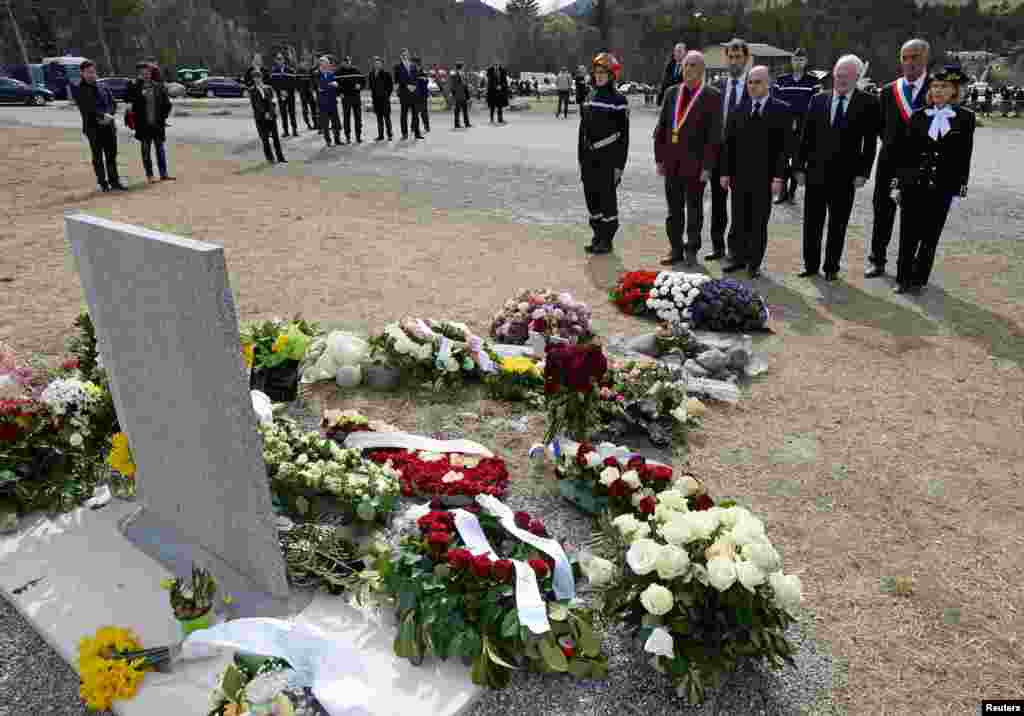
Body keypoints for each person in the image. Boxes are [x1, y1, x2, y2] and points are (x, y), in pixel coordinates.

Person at [794, 54, 880, 281]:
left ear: (857, 77)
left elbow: (870, 143)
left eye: (846, 76)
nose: (840, 80)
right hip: (815, 172)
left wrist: (864, 172)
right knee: (812, 222)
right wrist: (799, 167)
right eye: (838, 75)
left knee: (837, 224)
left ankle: (831, 267)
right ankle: (810, 265)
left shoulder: (868, 102)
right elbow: (806, 136)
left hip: (846, 175)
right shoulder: (818, 99)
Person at [892, 65, 974, 294]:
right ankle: (902, 278)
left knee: (930, 236)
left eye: (944, 86)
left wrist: (960, 184)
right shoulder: (918, 115)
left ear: (954, 91)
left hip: (943, 186)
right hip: (913, 184)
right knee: (908, 235)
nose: (938, 90)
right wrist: (898, 184)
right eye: (935, 86)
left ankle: (919, 280)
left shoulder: (966, 118)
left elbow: (965, 153)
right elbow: (905, 153)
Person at [866, 38, 931, 279]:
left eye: (915, 57)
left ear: (925, 58)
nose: (909, 62)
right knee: (882, 212)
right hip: (889, 162)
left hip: (922, 165)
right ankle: (877, 259)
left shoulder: (936, 89)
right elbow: (880, 127)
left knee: (915, 216)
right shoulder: (888, 90)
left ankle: (909, 264)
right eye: (905, 57)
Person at [718, 66, 790, 278]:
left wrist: (779, 177)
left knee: (758, 221)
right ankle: (737, 258)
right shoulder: (738, 110)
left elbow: (784, 149)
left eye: (758, 82)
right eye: (750, 82)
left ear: (768, 83)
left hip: (765, 177)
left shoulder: (781, 110)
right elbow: (727, 145)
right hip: (739, 177)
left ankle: (753, 262)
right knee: (738, 219)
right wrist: (725, 172)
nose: (753, 86)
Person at [653, 51, 722, 266]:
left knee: (694, 209)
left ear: (701, 70)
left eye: (692, 65)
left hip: (696, 165)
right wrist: (659, 158)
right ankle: (675, 248)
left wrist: (708, 166)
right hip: (672, 163)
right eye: (685, 65)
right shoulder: (672, 93)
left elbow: (714, 135)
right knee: (673, 210)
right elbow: (661, 128)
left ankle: (691, 249)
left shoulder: (712, 95)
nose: (688, 69)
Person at [578, 53, 630, 255]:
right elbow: (582, 131)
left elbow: (624, 137)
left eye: (603, 73)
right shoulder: (589, 97)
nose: (599, 76)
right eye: (597, 72)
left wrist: (619, 166)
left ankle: (607, 239)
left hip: (608, 159)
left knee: (606, 199)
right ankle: (597, 235)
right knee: (591, 199)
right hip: (588, 158)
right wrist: (581, 159)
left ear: (612, 75)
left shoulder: (619, 100)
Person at [708, 38, 751, 263]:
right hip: (718, 153)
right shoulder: (718, 86)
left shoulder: (754, 86)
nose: (734, 61)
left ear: (746, 59)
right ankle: (717, 247)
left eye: (738, 57)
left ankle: (737, 250)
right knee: (718, 203)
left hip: (742, 155)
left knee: (740, 205)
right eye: (731, 57)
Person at [771, 47, 820, 204]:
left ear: (806, 62)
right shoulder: (781, 80)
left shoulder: (813, 82)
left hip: (803, 127)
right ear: (791, 61)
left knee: (798, 162)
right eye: (795, 59)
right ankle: (782, 192)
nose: (798, 62)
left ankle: (792, 192)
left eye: (801, 60)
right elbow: (774, 102)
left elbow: (817, 105)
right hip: (783, 125)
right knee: (782, 160)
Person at [75, 59, 124, 192]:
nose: (91, 74)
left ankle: (115, 181)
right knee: (98, 157)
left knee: (111, 155)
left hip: (109, 126)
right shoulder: (80, 90)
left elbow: (113, 103)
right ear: (82, 73)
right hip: (93, 128)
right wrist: (102, 116)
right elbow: (86, 108)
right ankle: (103, 183)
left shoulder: (103, 86)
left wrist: (110, 115)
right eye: (88, 72)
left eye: (93, 71)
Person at [125, 61, 173, 184]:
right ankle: (150, 175)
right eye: (142, 73)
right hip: (143, 125)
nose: (145, 75)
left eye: (147, 73)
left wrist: (163, 118)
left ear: (151, 73)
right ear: (139, 74)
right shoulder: (135, 87)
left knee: (160, 150)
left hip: (157, 125)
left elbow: (167, 104)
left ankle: (164, 174)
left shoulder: (158, 87)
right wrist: (136, 89)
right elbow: (128, 100)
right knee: (146, 151)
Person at [249, 70, 286, 163]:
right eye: (255, 77)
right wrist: (264, 113)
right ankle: (270, 158)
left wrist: (271, 112)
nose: (257, 79)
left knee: (276, 138)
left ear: (261, 78)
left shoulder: (268, 88)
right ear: (253, 79)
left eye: (258, 77)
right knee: (265, 139)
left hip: (271, 116)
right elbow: (256, 104)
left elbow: (272, 101)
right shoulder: (252, 90)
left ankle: (280, 158)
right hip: (260, 118)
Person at [394, 49, 421, 140]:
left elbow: (416, 78)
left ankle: (417, 133)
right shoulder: (397, 67)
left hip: (414, 93)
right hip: (404, 93)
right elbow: (397, 80)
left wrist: (414, 86)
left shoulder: (413, 65)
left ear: (409, 55)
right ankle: (404, 133)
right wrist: (406, 86)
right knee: (404, 114)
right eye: (403, 55)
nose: (405, 56)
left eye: (406, 54)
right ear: (401, 56)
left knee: (415, 114)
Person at [335, 56, 364, 144]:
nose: (347, 63)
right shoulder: (338, 72)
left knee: (358, 117)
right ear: (343, 63)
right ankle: (347, 136)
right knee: (346, 118)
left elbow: (363, 81)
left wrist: (360, 86)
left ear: (351, 62)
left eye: (349, 62)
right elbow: (335, 84)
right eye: (346, 62)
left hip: (356, 97)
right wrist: (339, 93)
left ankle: (358, 136)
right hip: (345, 98)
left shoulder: (356, 70)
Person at [270, 52, 299, 137]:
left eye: (281, 58)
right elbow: (273, 84)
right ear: (275, 60)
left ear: (284, 60)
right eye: (278, 59)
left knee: (292, 113)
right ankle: (285, 131)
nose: (280, 60)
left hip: (290, 95)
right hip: (280, 95)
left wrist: (287, 91)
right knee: (283, 113)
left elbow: (294, 83)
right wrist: (280, 91)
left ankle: (294, 130)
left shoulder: (290, 70)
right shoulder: (274, 71)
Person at [316, 55, 342, 147]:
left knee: (336, 122)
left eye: (326, 63)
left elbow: (336, 86)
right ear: (320, 64)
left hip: (332, 101)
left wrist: (332, 85)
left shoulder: (332, 74)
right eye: (323, 63)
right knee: (325, 124)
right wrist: (330, 85)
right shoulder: (317, 75)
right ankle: (328, 141)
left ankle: (337, 139)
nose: (325, 65)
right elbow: (320, 87)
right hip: (323, 103)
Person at [369, 56, 394, 141]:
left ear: (382, 64)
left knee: (387, 119)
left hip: (385, 100)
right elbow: (371, 87)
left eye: (379, 63)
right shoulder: (371, 74)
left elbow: (390, 87)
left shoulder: (386, 73)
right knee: (379, 119)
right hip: (376, 100)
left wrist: (387, 95)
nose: (377, 65)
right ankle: (380, 135)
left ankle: (389, 135)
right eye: (375, 63)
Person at [658, 42, 687, 107]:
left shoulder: (689, 66)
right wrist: (660, 99)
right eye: (675, 51)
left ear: (685, 53)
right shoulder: (670, 65)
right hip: (670, 100)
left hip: (683, 100)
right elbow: (665, 82)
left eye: (679, 51)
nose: (676, 53)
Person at [449, 61, 472, 129]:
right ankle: (457, 124)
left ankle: (466, 123)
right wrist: (453, 93)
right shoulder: (455, 75)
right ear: (462, 67)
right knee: (457, 110)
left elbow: (464, 85)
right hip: (459, 95)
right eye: (463, 66)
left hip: (462, 94)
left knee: (464, 110)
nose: (464, 67)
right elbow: (454, 85)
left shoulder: (462, 74)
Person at [297, 58, 318, 130]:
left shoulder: (310, 70)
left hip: (310, 92)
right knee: (305, 109)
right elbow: (296, 83)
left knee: (313, 108)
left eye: (305, 63)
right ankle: (308, 123)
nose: (304, 64)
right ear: (300, 64)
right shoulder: (298, 71)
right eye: (302, 63)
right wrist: (300, 90)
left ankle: (315, 123)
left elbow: (313, 80)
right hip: (303, 93)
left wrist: (312, 89)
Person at [412, 56, 431, 133]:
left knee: (424, 112)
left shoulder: (423, 71)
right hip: (414, 95)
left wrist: (420, 78)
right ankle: (413, 127)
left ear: (417, 63)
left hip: (422, 95)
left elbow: (426, 81)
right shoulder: (412, 71)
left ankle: (426, 126)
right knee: (415, 112)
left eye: (413, 63)